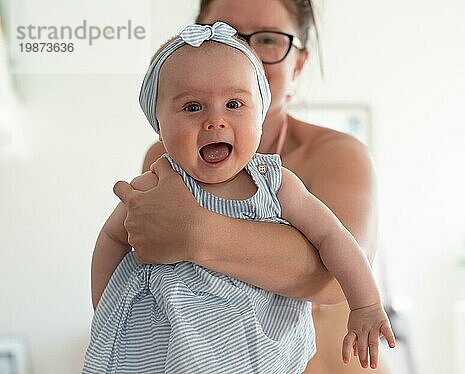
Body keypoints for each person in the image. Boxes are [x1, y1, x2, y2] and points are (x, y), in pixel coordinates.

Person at [85, 22, 394, 373]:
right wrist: (108, 313)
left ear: (260, 116)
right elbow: (112, 237)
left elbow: (333, 236)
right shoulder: (156, 186)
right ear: (158, 124)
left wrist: (366, 303)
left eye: (234, 103)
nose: (215, 121)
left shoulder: (275, 183)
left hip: (260, 351)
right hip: (179, 350)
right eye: (191, 108)